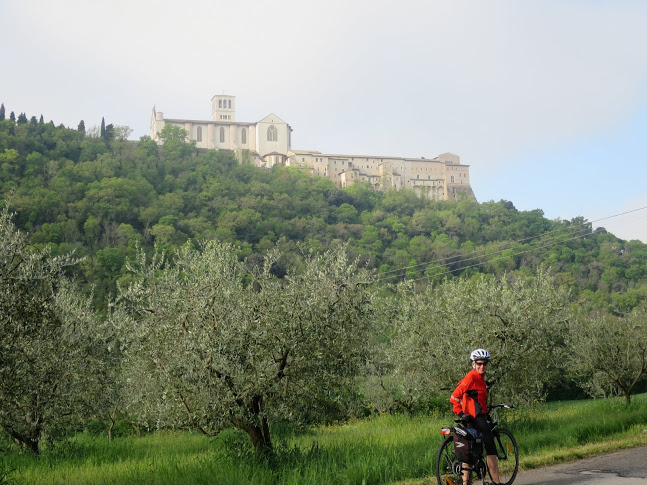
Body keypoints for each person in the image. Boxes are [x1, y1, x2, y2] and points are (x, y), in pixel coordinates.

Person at [450, 348, 501, 485]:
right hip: (474, 416)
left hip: (473, 416)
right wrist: (460, 413)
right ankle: (496, 482)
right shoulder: (471, 378)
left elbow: (476, 399)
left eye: (484, 364)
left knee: (469, 450)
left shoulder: (479, 378)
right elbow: (454, 397)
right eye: (479, 363)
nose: (482, 366)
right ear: (473, 364)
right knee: (491, 447)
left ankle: (466, 483)